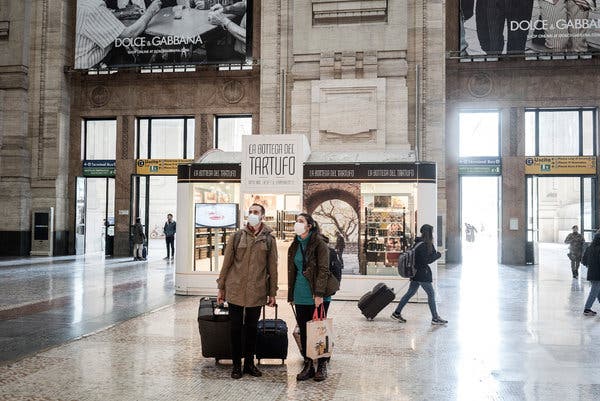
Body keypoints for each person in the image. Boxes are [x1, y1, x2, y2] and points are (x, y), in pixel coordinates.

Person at [217, 203, 278, 379]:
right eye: (250, 211)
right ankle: (237, 365)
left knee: (252, 329)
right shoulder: (236, 236)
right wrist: (221, 287)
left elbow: (272, 268)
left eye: (256, 212)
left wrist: (272, 292)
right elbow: (227, 263)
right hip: (235, 289)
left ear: (262, 217)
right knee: (235, 329)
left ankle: (249, 364)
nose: (252, 214)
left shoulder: (269, 240)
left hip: (257, 291)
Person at [287, 213, 338, 382]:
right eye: (296, 221)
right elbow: (292, 271)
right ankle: (308, 364)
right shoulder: (294, 245)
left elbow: (323, 270)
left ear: (309, 226)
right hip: (300, 293)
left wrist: (319, 294)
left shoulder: (319, 244)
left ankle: (322, 365)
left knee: (319, 330)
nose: (297, 224)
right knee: (305, 331)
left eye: (300, 221)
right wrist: (291, 294)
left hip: (318, 294)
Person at [75, 0, 162, 69]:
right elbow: (128, 36)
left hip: (80, 61)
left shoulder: (81, 3)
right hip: (93, 66)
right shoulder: (93, 7)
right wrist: (150, 11)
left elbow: (105, 14)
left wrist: (127, 12)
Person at [391, 224, 448, 325]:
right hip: (422, 274)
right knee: (431, 294)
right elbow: (427, 260)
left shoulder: (418, 243)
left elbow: (424, 257)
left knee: (410, 293)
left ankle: (396, 313)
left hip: (415, 273)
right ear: (429, 233)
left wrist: (435, 252)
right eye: (432, 232)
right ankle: (435, 318)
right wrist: (439, 254)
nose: (433, 234)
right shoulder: (424, 245)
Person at [581, 232, 600, 316]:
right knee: (594, 291)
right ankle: (587, 309)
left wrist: (591, 265)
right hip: (598, 274)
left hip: (591, 273)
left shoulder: (589, 248)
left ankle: (587, 308)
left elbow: (583, 261)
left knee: (597, 291)